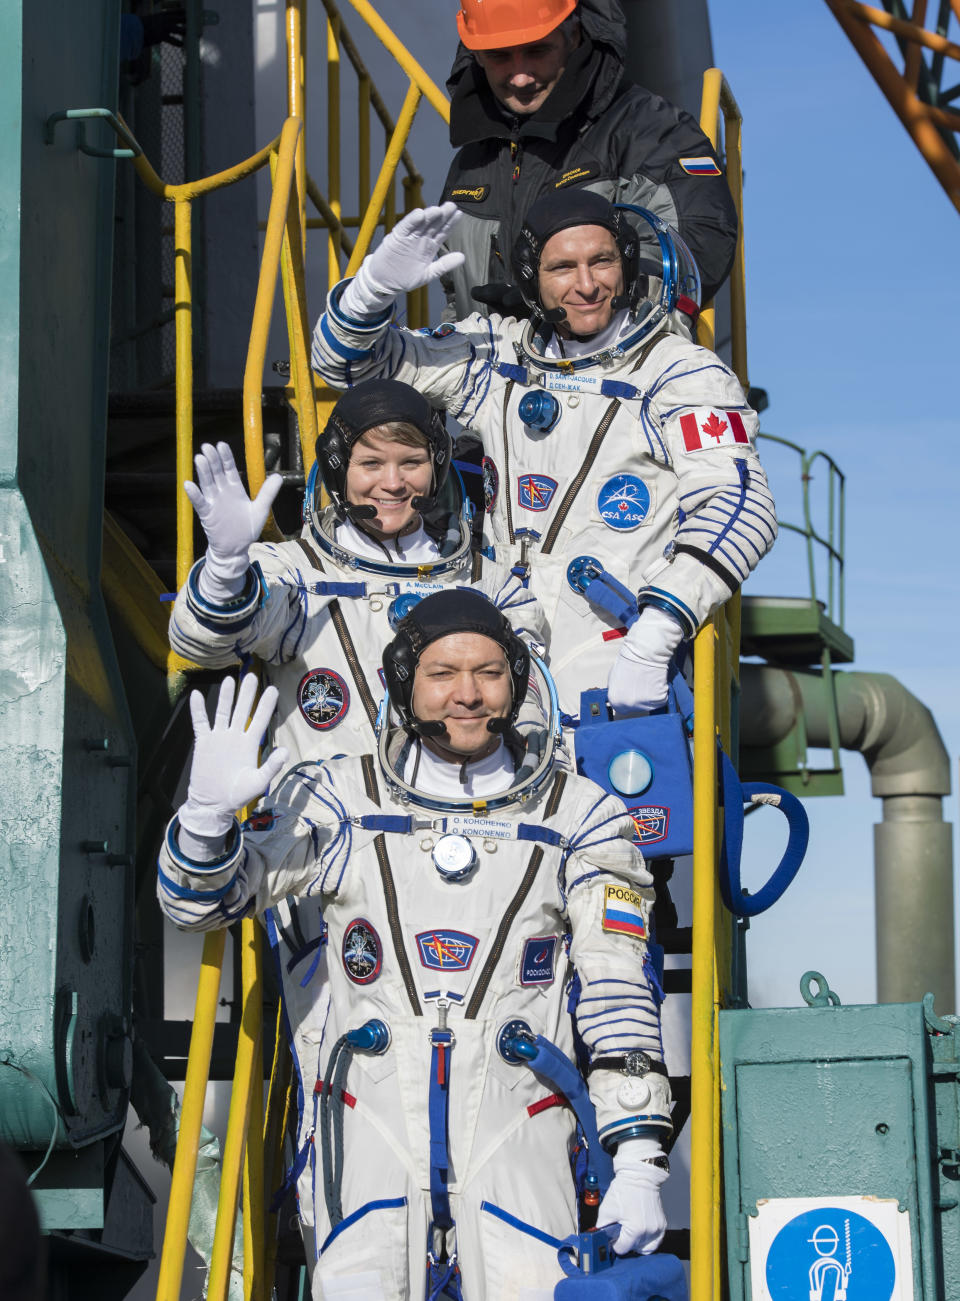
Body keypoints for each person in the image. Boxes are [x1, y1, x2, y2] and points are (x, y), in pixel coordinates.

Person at [158, 589, 673, 1301]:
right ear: (404, 683)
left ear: (517, 680)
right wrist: (207, 823)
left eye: (489, 672)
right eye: (442, 673)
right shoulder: (340, 798)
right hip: (368, 1130)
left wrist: (640, 1157)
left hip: (519, 1126)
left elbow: (617, 983)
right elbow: (197, 903)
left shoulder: (579, 813)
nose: (467, 693)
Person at [310, 193, 776, 721]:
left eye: (602, 261)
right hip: (497, 687)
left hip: (620, 676)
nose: (586, 285)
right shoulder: (498, 358)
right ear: (531, 278)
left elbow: (740, 504)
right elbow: (347, 370)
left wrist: (658, 631)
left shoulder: (680, 372)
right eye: (562, 267)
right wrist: (372, 291)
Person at [170, 376, 547, 764]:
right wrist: (225, 571)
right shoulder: (295, 575)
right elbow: (202, 646)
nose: (393, 483)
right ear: (337, 470)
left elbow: (529, 710)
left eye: (411, 463)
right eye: (371, 463)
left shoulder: (493, 586)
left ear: (435, 467)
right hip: (328, 818)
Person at [439, 0, 739, 319]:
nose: (520, 77)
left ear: (575, 34)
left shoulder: (651, 131)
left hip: (621, 364)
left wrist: (572, 312)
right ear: (476, 55)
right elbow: (456, 299)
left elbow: (694, 245)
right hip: (491, 368)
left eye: (537, 50)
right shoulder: (469, 162)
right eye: (499, 56)